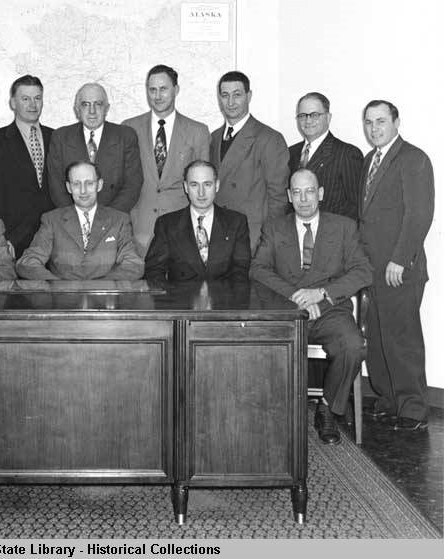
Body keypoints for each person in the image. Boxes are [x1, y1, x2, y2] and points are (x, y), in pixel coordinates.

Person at [250, 169, 372, 444]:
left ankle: (327, 407)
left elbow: (363, 272)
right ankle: (270, 415)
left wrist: (321, 293)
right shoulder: (274, 228)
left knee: (353, 346)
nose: (304, 199)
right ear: (289, 196)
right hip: (288, 311)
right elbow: (257, 269)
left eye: (309, 192)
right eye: (297, 192)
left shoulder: (343, 227)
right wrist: (297, 295)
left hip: (330, 309)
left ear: (320, 193)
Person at [359, 100, 434, 431]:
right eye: (369, 122)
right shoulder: (368, 160)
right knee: (377, 337)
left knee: (401, 340)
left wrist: (399, 260)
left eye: (381, 121)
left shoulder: (414, 158)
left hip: (398, 269)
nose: (374, 128)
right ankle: (389, 400)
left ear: (396, 122)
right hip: (371, 269)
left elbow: (419, 215)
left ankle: (413, 409)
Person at [122, 64, 211, 255]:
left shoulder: (198, 132)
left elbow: (204, 189)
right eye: (152, 90)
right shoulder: (129, 129)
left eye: (163, 89)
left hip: (181, 232)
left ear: (176, 90)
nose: (157, 96)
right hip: (139, 232)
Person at [17, 160, 143, 280]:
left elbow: (133, 264)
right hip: (63, 299)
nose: (83, 190)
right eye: (76, 184)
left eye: (89, 183)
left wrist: (104, 287)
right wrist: (55, 285)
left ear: (99, 185)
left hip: (107, 299)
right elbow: (27, 262)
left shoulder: (120, 220)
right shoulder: (51, 220)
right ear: (68, 187)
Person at [209, 71, 289, 252]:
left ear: (249, 96)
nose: (230, 102)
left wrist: (267, 243)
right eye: (225, 95)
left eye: (237, 95)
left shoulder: (269, 138)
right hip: (217, 236)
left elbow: (278, 198)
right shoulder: (213, 138)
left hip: (252, 238)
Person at [0, 75, 54, 258]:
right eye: (25, 99)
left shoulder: (57, 138)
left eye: (37, 98)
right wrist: (1, 239)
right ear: (13, 102)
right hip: (14, 240)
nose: (32, 105)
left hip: (54, 240)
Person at [145, 160, 250, 283]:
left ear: (217, 186)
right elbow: (154, 272)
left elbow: (240, 274)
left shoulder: (236, 222)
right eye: (194, 185)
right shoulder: (167, 224)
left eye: (207, 184)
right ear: (186, 187)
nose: (201, 192)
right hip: (179, 300)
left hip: (223, 300)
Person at [46, 83, 142, 213]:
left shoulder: (125, 136)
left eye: (98, 104)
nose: (92, 111)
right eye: (85, 104)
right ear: (77, 110)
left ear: (107, 108)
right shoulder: (61, 137)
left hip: (114, 222)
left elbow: (132, 185)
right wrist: (78, 219)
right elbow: (56, 187)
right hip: (71, 225)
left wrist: (106, 221)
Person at [288, 92, 363, 221]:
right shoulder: (290, 153)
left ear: (328, 117)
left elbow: (356, 207)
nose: (308, 120)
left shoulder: (347, 154)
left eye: (315, 115)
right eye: (302, 115)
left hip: (334, 236)